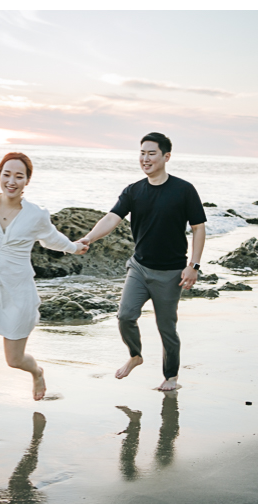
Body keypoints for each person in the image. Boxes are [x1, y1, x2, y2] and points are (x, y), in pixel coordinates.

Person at [0, 153, 89, 434]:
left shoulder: (35, 214)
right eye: (7, 174)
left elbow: (52, 238)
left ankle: (37, 373)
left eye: (19, 176)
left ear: (27, 181)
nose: (11, 181)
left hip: (17, 290)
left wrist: (74, 247)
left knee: (14, 360)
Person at [78, 133, 207, 391]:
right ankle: (135, 355)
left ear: (166, 157)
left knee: (166, 328)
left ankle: (171, 377)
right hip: (139, 267)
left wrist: (193, 266)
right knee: (125, 316)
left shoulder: (184, 190)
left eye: (151, 153)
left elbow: (198, 228)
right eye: (142, 153)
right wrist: (88, 238)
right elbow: (112, 218)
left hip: (171, 273)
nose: (145, 159)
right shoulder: (133, 191)